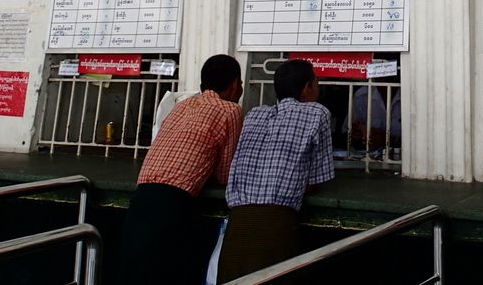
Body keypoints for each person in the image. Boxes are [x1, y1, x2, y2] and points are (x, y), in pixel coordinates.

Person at [119, 55, 243, 285]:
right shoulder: (230, 110)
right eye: (241, 83)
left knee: (136, 272)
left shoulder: (182, 105)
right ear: (235, 84)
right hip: (173, 203)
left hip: (141, 197)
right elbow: (225, 174)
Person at [218, 59, 334, 282]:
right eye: (316, 82)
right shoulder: (317, 113)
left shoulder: (254, 114)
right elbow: (316, 180)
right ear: (307, 87)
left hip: (236, 226)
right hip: (277, 227)